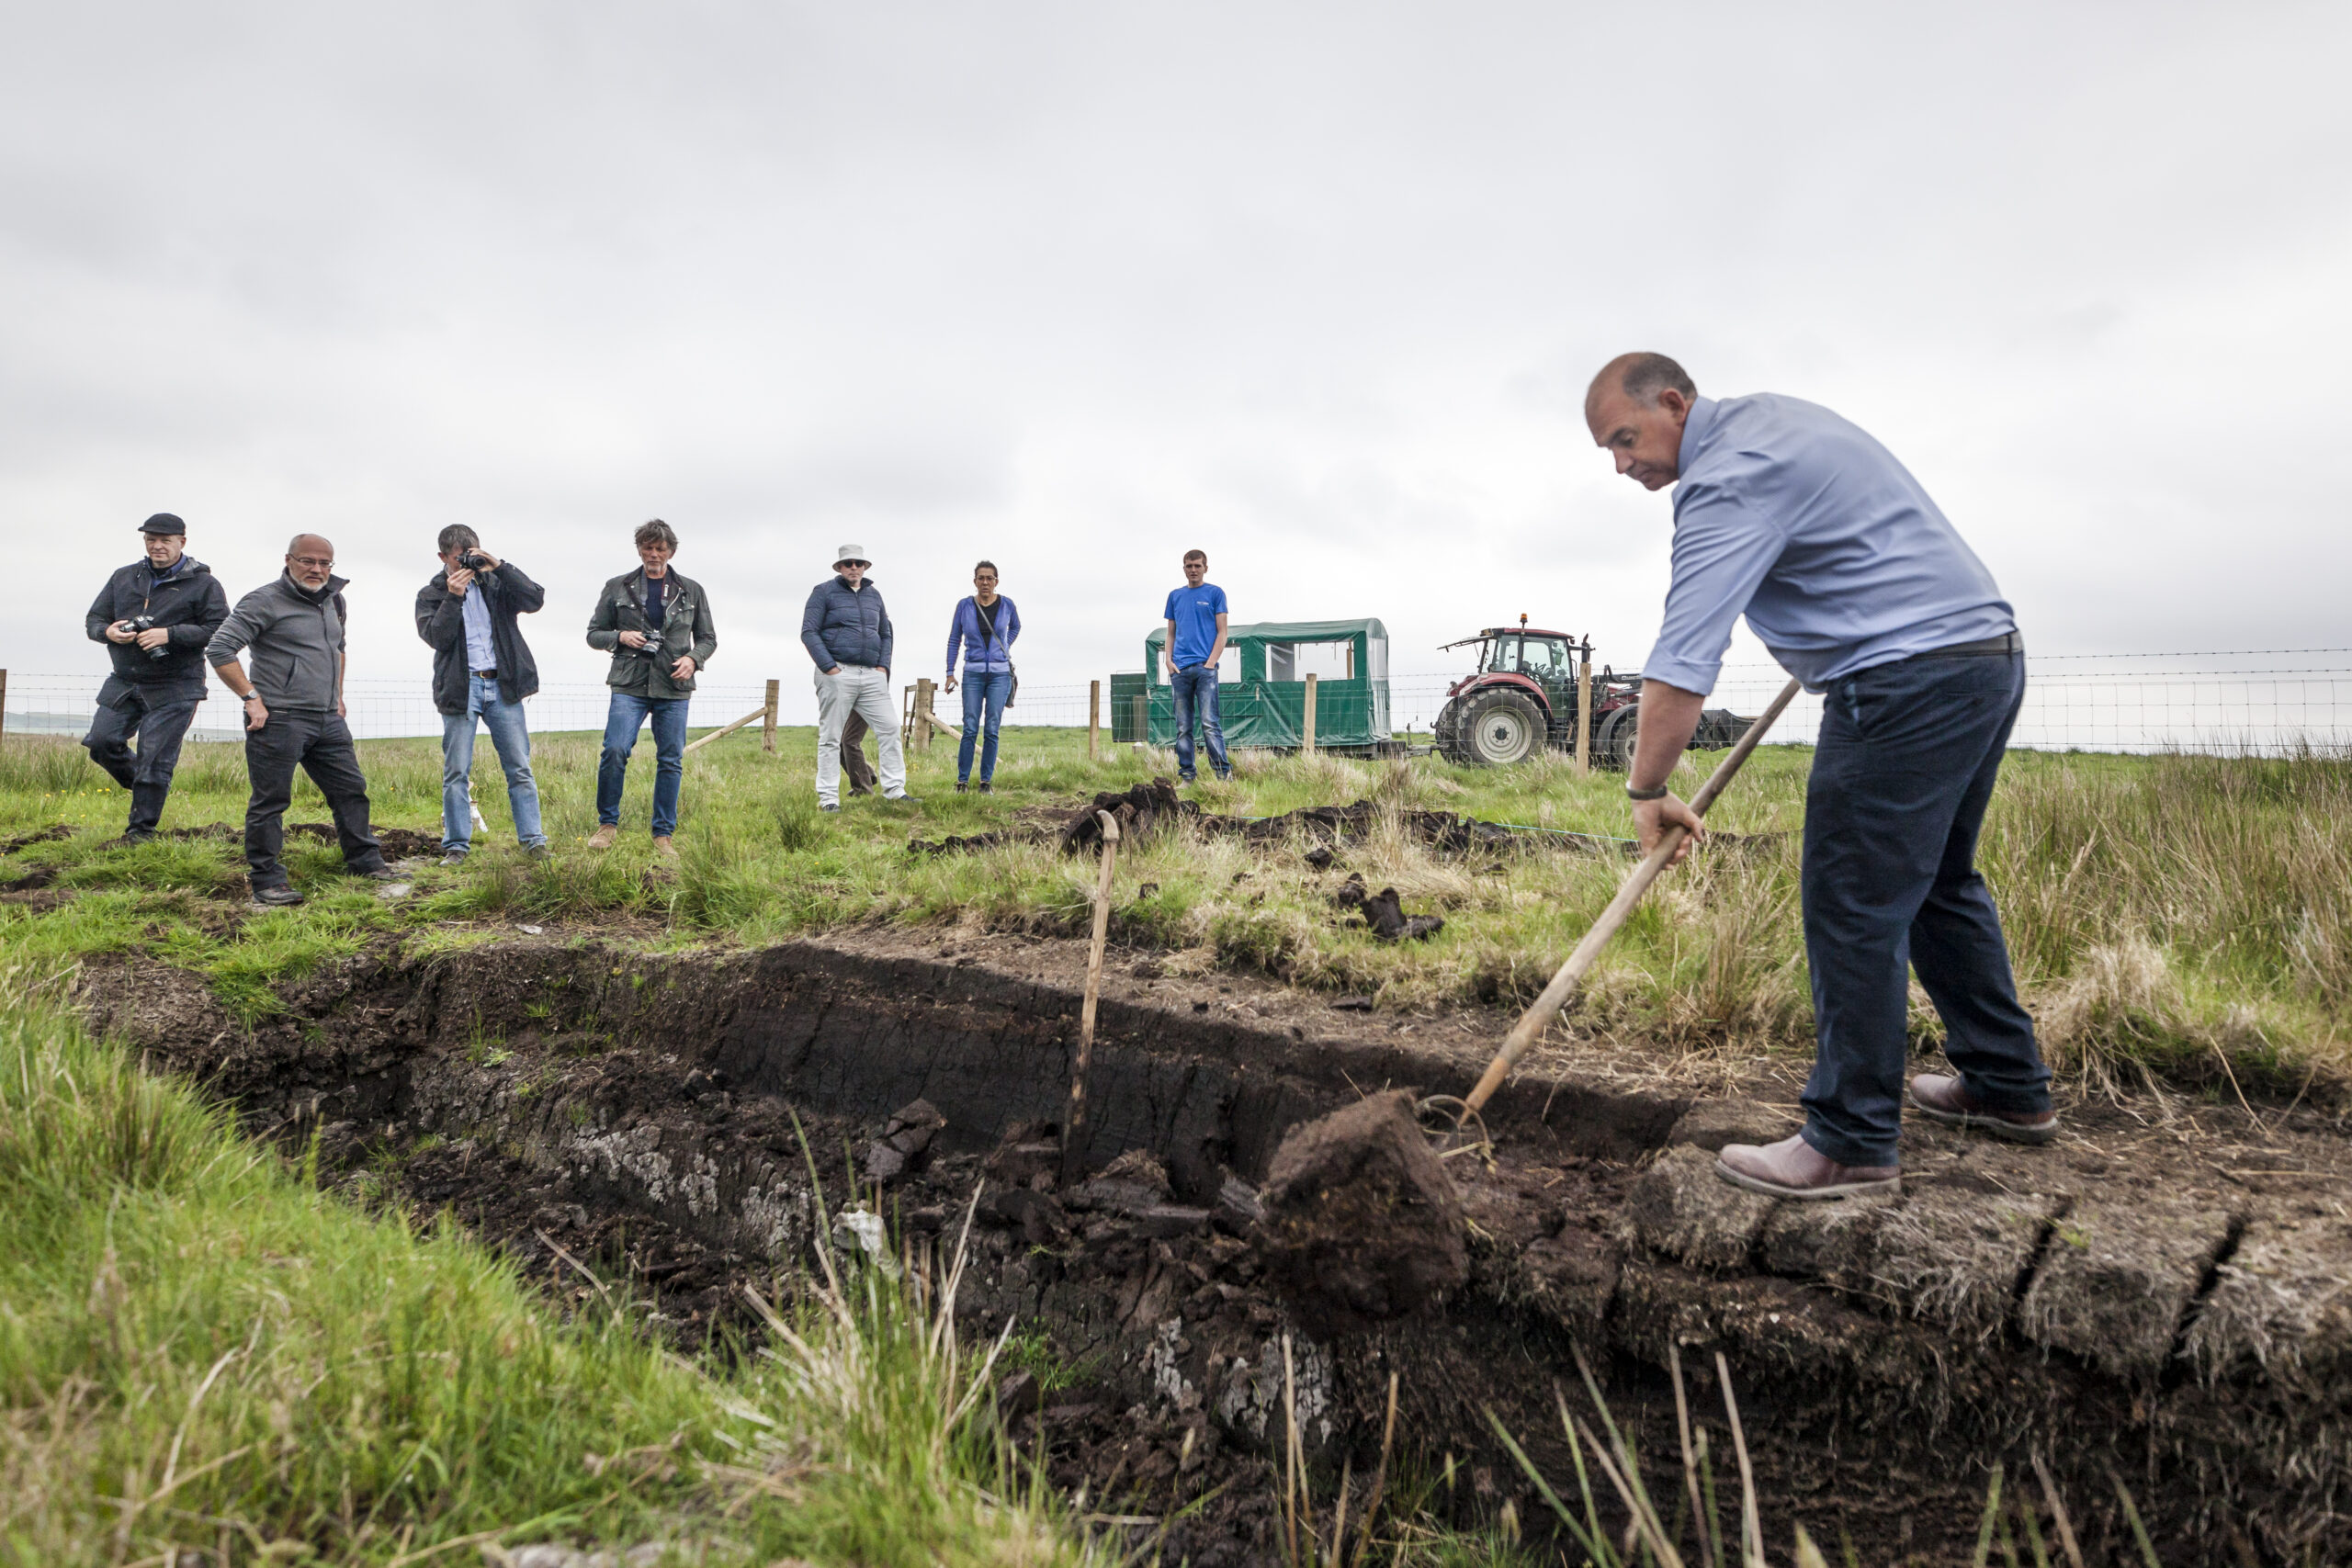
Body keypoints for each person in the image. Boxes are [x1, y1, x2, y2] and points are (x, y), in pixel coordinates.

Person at [1585, 352, 2052, 1201]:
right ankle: (2006, 1084)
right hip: (1982, 658)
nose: (1622, 464)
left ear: (1675, 403)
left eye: (1626, 437)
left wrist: (1648, 792)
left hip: (1905, 678)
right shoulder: (1774, 421)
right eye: (1608, 452)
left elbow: (1682, 665)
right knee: (1940, 882)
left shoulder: (1724, 481)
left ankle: (1849, 1139)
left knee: (1852, 901)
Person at [205, 534, 395, 905]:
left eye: (325, 563)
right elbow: (220, 648)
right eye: (308, 561)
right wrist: (251, 698)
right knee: (271, 800)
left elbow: (338, 648)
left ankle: (365, 862)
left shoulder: (334, 600)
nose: (317, 569)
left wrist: (337, 697)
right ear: (289, 560)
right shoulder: (264, 601)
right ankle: (267, 880)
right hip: (279, 718)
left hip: (327, 718)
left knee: (351, 791)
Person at [82, 513, 229, 842]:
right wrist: (107, 631)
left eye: (165, 540)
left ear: (182, 542)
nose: (157, 546)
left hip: (176, 684)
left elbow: (220, 629)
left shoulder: (205, 585)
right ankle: (150, 787)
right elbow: (94, 617)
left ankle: (140, 832)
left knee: (154, 758)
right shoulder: (123, 577)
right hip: (124, 679)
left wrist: (169, 635)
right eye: (151, 539)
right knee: (101, 743)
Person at [414, 525, 549, 864]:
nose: (465, 562)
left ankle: (533, 842)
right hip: (462, 688)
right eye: (458, 556)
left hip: (502, 685)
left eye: (470, 553)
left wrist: (499, 565)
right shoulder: (430, 594)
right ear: (443, 557)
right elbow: (437, 638)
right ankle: (457, 846)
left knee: (519, 767)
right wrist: (452, 597)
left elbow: (534, 599)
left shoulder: (495, 583)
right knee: (457, 770)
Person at [584, 519, 717, 855]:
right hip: (629, 682)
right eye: (648, 547)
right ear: (639, 549)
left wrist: (693, 659)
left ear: (671, 551)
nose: (654, 554)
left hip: (674, 685)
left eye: (660, 548)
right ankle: (607, 825)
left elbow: (707, 638)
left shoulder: (692, 590)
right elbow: (593, 633)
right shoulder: (617, 586)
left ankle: (663, 835)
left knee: (670, 759)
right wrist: (620, 636)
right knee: (615, 750)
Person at [804, 544, 912, 810]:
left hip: (872, 674)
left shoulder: (874, 595)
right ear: (839, 567)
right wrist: (830, 668)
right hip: (838, 672)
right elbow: (809, 632)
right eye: (848, 563)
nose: (854, 567)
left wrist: (883, 667)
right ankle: (828, 799)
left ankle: (895, 791)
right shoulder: (823, 592)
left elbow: (886, 633)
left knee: (889, 728)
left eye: (858, 563)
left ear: (865, 567)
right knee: (831, 737)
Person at [944, 560, 1021, 793]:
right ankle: (962, 781)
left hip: (999, 675)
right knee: (969, 728)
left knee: (992, 728)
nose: (985, 582)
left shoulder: (1007, 605)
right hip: (973, 673)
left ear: (996, 581)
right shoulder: (964, 606)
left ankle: (985, 782)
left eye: (990, 578)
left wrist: (1003, 647)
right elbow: (954, 639)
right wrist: (950, 672)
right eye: (981, 578)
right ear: (975, 581)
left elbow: (1016, 627)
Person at [1162, 548, 1231, 783]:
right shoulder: (1174, 596)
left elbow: (1223, 633)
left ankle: (1223, 775)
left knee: (1209, 724)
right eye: (1189, 566)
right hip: (1179, 671)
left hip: (1205, 669)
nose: (1193, 570)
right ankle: (1187, 777)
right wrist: (1168, 661)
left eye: (1197, 566)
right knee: (1183, 727)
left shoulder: (1215, 593)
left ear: (1205, 568)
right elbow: (1171, 633)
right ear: (1184, 568)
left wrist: (1210, 663)